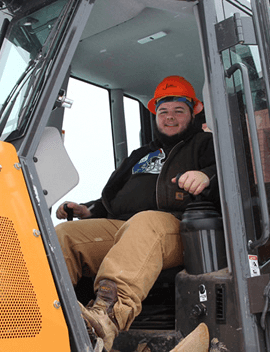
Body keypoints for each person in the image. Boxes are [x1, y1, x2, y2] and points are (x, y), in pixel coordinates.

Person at [55, 75, 219, 351]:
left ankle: (105, 318)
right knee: (66, 235)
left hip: (180, 229)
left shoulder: (205, 144)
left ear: (194, 112)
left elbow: (234, 177)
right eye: (163, 111)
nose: (170, 117)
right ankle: (40, 311)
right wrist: (87, 210)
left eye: (179, 111)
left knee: (145, 223)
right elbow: (112, 199)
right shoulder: (141, 155)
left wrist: (206, 177)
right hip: (127, 226)